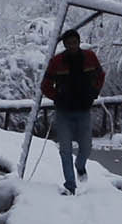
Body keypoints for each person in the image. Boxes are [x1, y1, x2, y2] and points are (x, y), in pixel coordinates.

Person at [39, 26, 106, 194]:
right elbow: (45, 85)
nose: (72, 46)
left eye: (75, 43)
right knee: (65, 150)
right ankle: (70, 185)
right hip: (63, 112)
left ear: (79, 42)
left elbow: (100, 75)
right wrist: (57, 97)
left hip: (83, 110)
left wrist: (94, 92)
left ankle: (80, 165)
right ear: (64, 45)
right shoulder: (57, 61)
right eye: (68, 43)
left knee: (86, 146)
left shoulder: (89, 57)